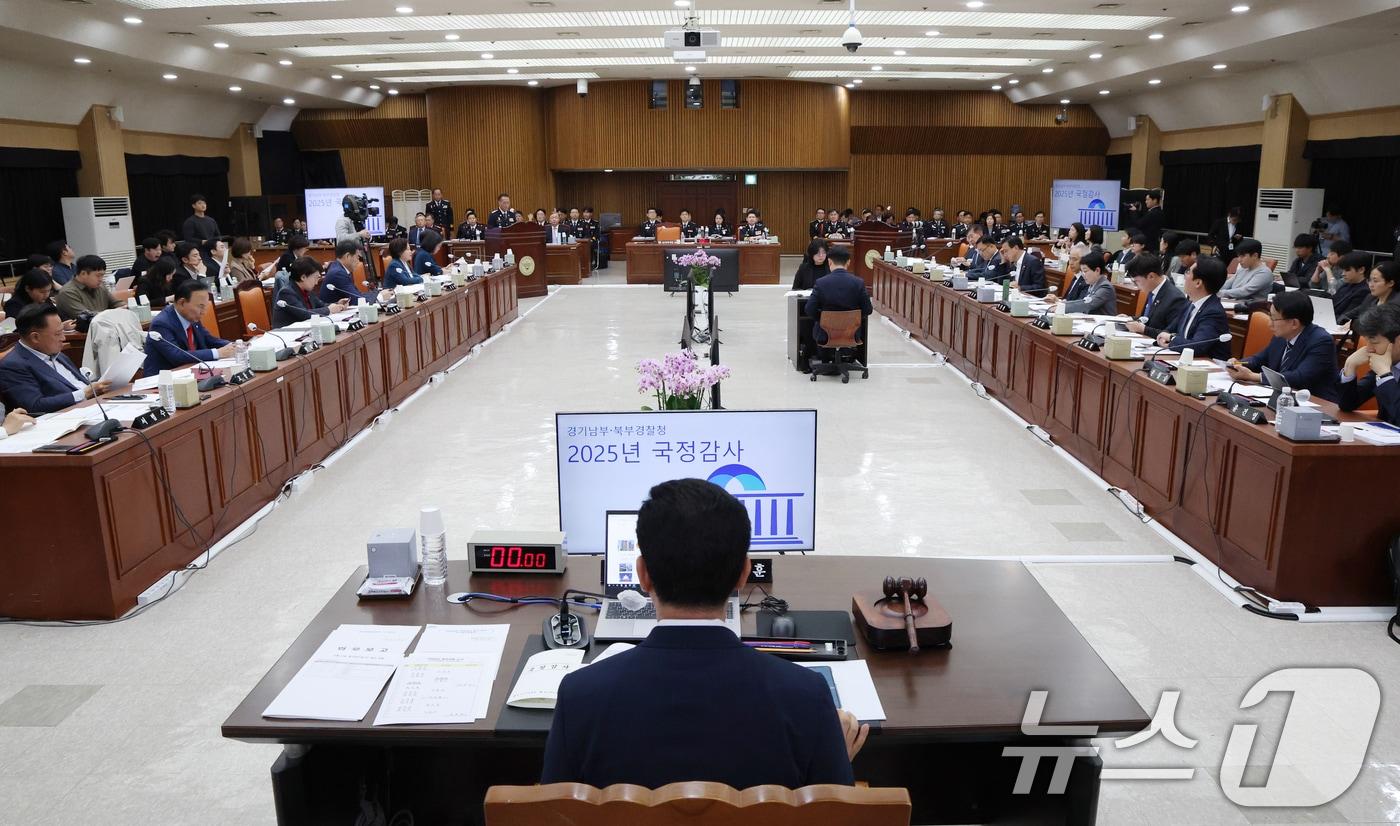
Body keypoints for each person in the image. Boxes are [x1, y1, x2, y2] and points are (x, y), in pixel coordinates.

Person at [542, 478, 865, 789]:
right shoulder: (807, 697)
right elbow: (829, 810)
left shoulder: (579, 696)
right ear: (743, 574)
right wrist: (832, 763)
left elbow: (555, 810)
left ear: (643, 574)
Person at [1224, 290, 1339, 401]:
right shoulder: (1282, 336)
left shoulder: (1321, 341)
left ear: (1294, 323)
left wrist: (1253, 376)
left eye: (1274, 319)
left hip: (1315, 403)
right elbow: (1259, 359)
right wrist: (1237, 364)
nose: (1269, 324)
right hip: (1282, 397)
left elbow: (1299, 377)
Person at [0, 305, 110, 415]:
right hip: (68, 417)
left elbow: (79, 384)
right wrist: (84, 393)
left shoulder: (57, 354)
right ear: (35, 337)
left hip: (97, 405)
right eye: (58, 334)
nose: (63, 338)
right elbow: (34, 406)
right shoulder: (13, 365)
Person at [141, 280, 236, 375]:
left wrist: (233, 346)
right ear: (182, 303)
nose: (204, 312)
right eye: (200, 306)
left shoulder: (191, 317)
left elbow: (208, 339)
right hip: (164, 379)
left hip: (192, 373)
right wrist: (218, 353)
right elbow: (176, 356)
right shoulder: (161, 323)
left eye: (205, 307)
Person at [1156, 256, 1231, 360]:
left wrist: (1170, 338)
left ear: (1198, 283)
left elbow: (1197, 347)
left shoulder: (1213, 312)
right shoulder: (1190, 303)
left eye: (1188, 272)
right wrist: (1163, 336)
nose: (1184, 276)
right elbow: (1171, 328)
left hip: (1209, 365)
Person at [1338, 304, 1400, 425]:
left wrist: (1385, 375)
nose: (1369, 349)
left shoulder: (1383, 367)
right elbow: (1347, 404)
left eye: (1374, 343)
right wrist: (1350, 365)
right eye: (1367, 342)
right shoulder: (1386, 363)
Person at [805, 246, 872, 347]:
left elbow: (809, 309)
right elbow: (868, 310)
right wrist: (854, 318)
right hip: (852, 334)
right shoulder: (858, 283)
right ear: (848, 262)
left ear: (829, 262)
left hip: (825, 335)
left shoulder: (821, 283)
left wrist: (823, 319)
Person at [1124, 253, 1188, 339]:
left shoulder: (1175, 298)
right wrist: (1130, 319)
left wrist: (1144, 330)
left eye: (1136, 281)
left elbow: (1171, 334)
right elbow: (1147, 319)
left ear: (1151, 276)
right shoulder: (1152, 290)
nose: (1136, 285)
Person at [274, 257, 349, 328]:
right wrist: (329, 310)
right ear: (303, 277)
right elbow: (304, 314)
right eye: (315, 277)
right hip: (289, 334)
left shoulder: (307, 290)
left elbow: (321, 305)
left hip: (307, 330)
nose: (316, 283)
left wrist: (338, 305)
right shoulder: (287, 292)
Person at [322, 240, 389, 305]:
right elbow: (357, 300)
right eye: (357, 257)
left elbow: (357, 294)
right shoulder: (338, 273)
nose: (358, 261)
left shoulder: (339, 269)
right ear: (348, 256)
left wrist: (378, 293)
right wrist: (380, 296)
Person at [55, 255, 121, 320]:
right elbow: (86, 317)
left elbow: (116, 303)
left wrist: (125, 307)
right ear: (83, 274)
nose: (101, 279)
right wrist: (113, 313)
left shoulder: (100, 286)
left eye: (102, 275)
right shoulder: (68, 292)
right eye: (98, 276)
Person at [1050, 250, 1115, 315]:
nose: (1083, 275)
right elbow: (1082, 301)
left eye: (1085, 271)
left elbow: (1087, 304)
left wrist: (1062, 307)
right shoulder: (1092, 284)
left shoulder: (1105, 287)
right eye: (1082, 271)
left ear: (1097, 270)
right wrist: (1061, 303)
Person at [1340, 261, 1397, 329]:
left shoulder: (1396, 304)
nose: (1371, 285)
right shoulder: (1370, 298)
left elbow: (1380, 327)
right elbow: (1347, 315)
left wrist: (1354, 324)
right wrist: (1347, 323)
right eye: (1369, 280)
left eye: (1375, 281)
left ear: (1390, 283)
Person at [1333, 252, 1374, 325]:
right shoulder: (1347, 284)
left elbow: (1346, 317)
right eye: (1343, 270)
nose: (1343, 274)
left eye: (1347, 270)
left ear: (1361, 270)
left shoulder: (1364, 291)